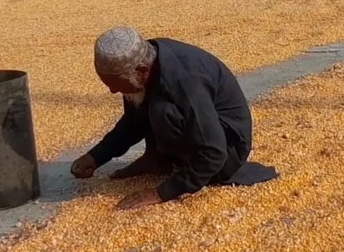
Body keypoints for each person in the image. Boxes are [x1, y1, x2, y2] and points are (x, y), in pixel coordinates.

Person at [70, 26, 277, 209]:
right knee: (146, 100)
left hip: (228, 149)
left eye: (115, 83)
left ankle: (170, 162)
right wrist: (96, 156)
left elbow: (214, 152)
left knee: (162, 110)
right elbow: (134, 122)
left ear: (142, 70)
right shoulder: (147, 62)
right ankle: (156, 159)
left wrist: (163, 192)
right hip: (203, 137)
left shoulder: (185, 82)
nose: (113, 91)